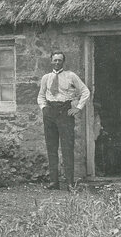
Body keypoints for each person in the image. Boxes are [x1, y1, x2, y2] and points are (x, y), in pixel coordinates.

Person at [37, 51, 90, 190]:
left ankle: (70, 183)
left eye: (59, 60)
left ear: (63, 62)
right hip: (50, 112)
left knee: (67, 148)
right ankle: (54, 182)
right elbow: (41, 96)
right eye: (54, 60)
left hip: (65, 112)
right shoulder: (46, 78)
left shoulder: (70, 76)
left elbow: (85, 91)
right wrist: (44, 108)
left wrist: (78, 108)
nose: (56, 62)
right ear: (51, 61)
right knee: (51, 148)